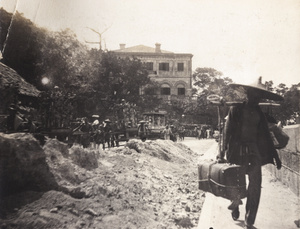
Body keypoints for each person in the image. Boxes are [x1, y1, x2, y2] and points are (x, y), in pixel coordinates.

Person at [217, 77, 283, 229]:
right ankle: (235, 204)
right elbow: (227, 131)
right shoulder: (236, 109)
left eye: (259, 97)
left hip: (254, 152)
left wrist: (275, 156)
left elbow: (267, 135)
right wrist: (222, 151)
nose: (256, 99)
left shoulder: (259, 113)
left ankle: (249, 219)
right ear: (247, 94)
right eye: (254, 95)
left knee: (255, 185)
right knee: (235, 182)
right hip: (236, 151)